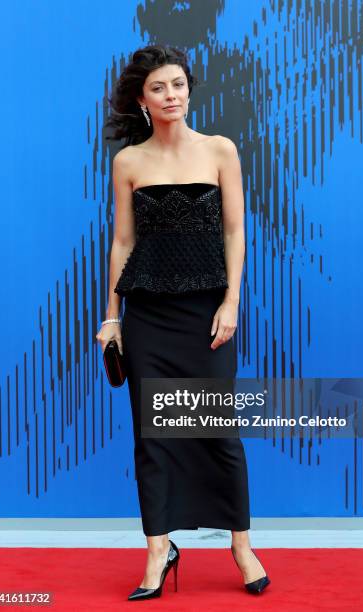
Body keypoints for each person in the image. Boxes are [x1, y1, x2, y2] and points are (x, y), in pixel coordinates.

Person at [96, 44, 270, 601]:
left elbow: (234, 233)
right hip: (147, 313)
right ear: (142, 101)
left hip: (207, 312)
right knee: (153, 437)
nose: (172, 96)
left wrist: (231, 302)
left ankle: (241, 548)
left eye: (178, 84)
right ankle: (158, 551)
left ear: (189, 88)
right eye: (159, 89)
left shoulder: (221, 150)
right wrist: (112, 318)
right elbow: (123, 241)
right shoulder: (129, 162)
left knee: (218, 431)